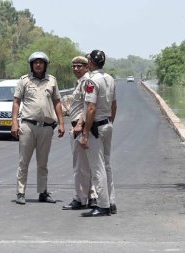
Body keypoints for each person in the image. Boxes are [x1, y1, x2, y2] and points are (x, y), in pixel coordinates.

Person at [11, 51, 65, 205]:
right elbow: (16, 101)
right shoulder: (24, 81)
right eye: (35, 62)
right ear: (32, 65)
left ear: (45, 65)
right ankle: (21, 192)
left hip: (46, 128)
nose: (38, 65)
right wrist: (14, 122)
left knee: (43, 163)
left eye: (41, 62)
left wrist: (61, 123)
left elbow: (57, 102)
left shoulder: (52, 81)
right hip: (28, 126)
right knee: (24, 161)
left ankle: (43, 192)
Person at [79, 50, 117, 217]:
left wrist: (85, 132)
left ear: (90, 62)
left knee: (97, 167)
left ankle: (103, 205)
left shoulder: (91, 81)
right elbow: (114, 105)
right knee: (106, 165)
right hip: (107, 124)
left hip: (96, 128)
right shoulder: (110, 79)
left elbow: (91, 108)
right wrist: (109, 123)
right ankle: (111, 201)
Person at [62, 56, 98, 210]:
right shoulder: (81, 83)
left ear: (87, 67)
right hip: (80, 127)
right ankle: (92, 196)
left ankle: (80, 199)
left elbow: (89, 106)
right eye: (74, 66)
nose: (76, 69)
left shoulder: (86, 82)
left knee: (80, 167)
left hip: (80, 128)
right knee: (86, 166)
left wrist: (80, 124)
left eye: (79, 66)